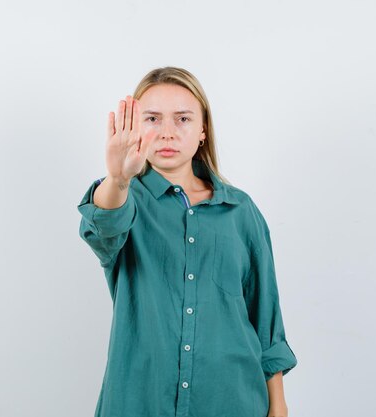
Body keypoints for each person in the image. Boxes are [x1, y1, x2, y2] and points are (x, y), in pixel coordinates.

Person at [77, 66, 298, 417]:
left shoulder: (240, 211)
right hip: (139, 403)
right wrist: (118, 177)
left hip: (233, 402)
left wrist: (279, 405)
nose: (167, 132)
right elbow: (102, 228)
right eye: (152, 118)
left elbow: (265, 316)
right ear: (135, 128)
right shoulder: (124, 199)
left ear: (202, 130)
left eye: (182, 119)